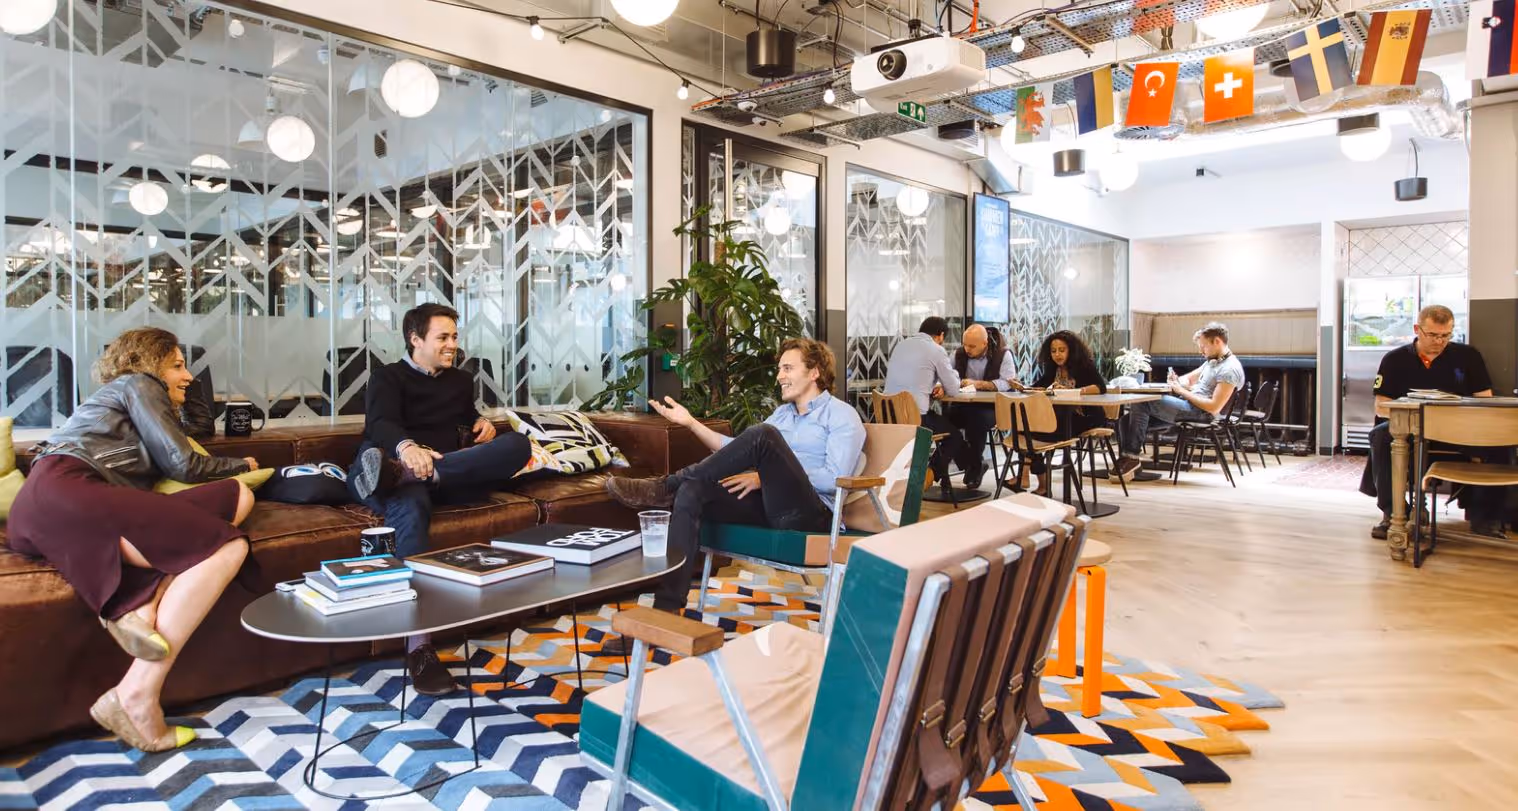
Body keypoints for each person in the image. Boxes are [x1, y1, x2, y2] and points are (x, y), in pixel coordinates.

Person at [6, 327, 258, 753]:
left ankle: (139, 604)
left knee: (237, 496)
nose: (189, 376)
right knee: (228, 545)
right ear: (148, 364)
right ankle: (136, 694)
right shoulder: (138, 383)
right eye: (177, 365)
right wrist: (242, 462)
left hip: (43, 512)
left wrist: (232, 473)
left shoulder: (120, 406)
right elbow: (183, 463)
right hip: (68, 491)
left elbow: (188, 447)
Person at [601, 338, 864, 631]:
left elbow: (835, 478)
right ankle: (667, 609)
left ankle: (665, 487)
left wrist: (767, 475)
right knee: (692, 491)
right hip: (771, 506)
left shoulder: (841, 415)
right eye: (779, 369)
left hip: (813, 515)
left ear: (814, 372)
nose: (779, 376)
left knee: (763, 435)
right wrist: (690, 423)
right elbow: (737, 447)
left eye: (788, 368)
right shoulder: (782, 415)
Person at [348, 303, 533, 695]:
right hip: (399, 468)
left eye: (454, 337)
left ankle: (428, 473)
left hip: (443, 470)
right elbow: (380, 424)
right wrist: (407, 448)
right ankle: (420, 648)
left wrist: (481, 424)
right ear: (415, 339)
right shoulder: (387, 378)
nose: (453, 345)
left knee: (516, 444)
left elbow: (465, 416)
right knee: (410, 507)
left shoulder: (459, 381)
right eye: (443, 338)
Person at [1359, 305, 1503, 540]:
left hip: (1459, 430)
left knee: (1500, 442)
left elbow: (1484, 399)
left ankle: (1485, 517)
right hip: (1411, 430)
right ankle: (1393, 512)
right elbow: (1381, 405)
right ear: (1417, 329)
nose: (1440, 341)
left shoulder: (1468, 356)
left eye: (1446, 335)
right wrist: (1412, 412)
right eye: (1433, 335)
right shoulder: (1395, 359)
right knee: (1381, 435)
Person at [1112, 322, 1243, 482]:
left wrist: (1182, 391)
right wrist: (1176, 382)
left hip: (1200, 414)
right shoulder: (1212, 361)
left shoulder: (1229, 369)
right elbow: (1188, 378)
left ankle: (1131, 458)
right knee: (1125, 420)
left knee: (1142, 401)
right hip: (1186, 406)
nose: (1200, 351)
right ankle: (1129, 462)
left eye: (1203, 346)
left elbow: (1214, 407)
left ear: (1217, 341)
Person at [882, 316, 966, 491]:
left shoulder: (901, 345)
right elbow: (953, 389)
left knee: (944, 427)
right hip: (915, 419)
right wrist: (955, 377)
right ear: (941, 335)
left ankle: (969, 467)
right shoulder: (936, 349)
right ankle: (928, 475)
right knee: (955, 437)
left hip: (888, 417)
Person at [1024, 330, 1108, 495]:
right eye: (1054, 351)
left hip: (1086, 417)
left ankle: (1028, 473)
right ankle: (1039, 483)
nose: (1057, 354)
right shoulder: (1053, 369)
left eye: (1062, 350)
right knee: (1026, 427)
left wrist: (1073, 391)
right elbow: (1040, 385)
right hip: (1061, 419)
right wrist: (1025, 388)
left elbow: (1100, 387)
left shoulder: (1084, 367)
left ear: (1071, 350)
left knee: (1032, 432)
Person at [948, 324, 1019, 489]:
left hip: (992, 408)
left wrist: (978, 384)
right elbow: (946, 374)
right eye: (965, 344)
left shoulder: (1003, 354)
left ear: (985, 343)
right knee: (944, 423)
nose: (967, 349)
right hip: (963, 405)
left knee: (976, 421)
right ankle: (975, 464)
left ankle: (973, 468)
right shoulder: (958, 354)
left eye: (972, 346)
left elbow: (1007, 383)